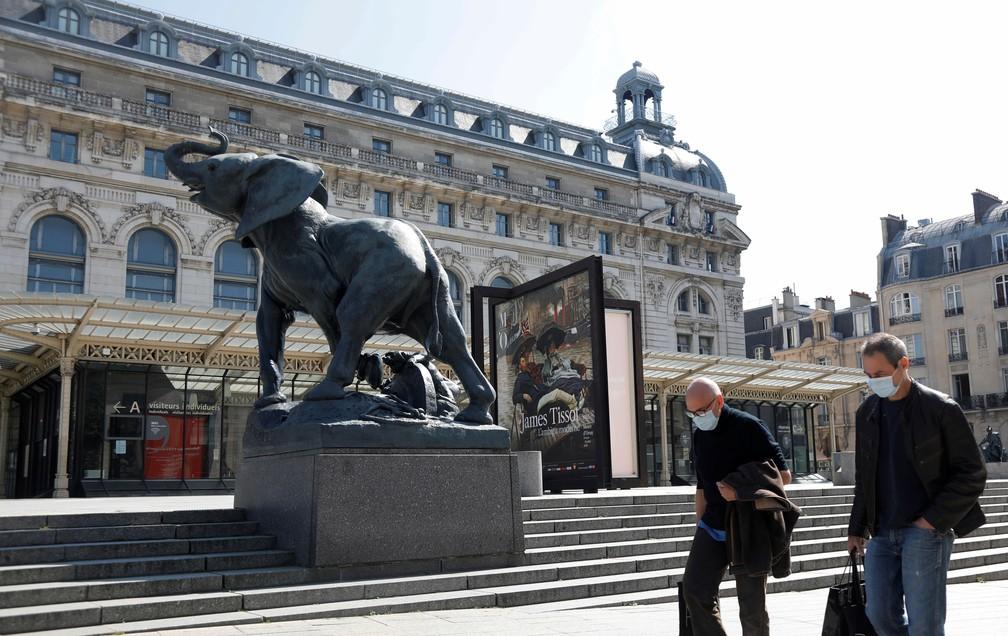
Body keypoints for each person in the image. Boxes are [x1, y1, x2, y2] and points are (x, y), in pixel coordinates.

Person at [847, 333, 987, 636]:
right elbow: (864, 475)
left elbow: (972, 472)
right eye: (868, 376)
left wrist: (931, 521)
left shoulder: (941, 408)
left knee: (925, 623)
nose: (874, 382)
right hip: (882, 531)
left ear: (904, 364)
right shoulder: (867, 412)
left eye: (880, 374)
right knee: (879, 614)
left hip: (925, 531)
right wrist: (856, 527)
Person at [681, 377, 792, 636]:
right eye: (692, 413)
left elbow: (784, 476)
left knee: (752, 607)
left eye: (701, 411)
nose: (697, 417)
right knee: (695, 590)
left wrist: (740, 491)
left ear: (719, 401)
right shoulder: (700, 436)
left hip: (749, 526)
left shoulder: (750, 427)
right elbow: (702, 485)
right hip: (712, 525)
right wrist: (700, 525)